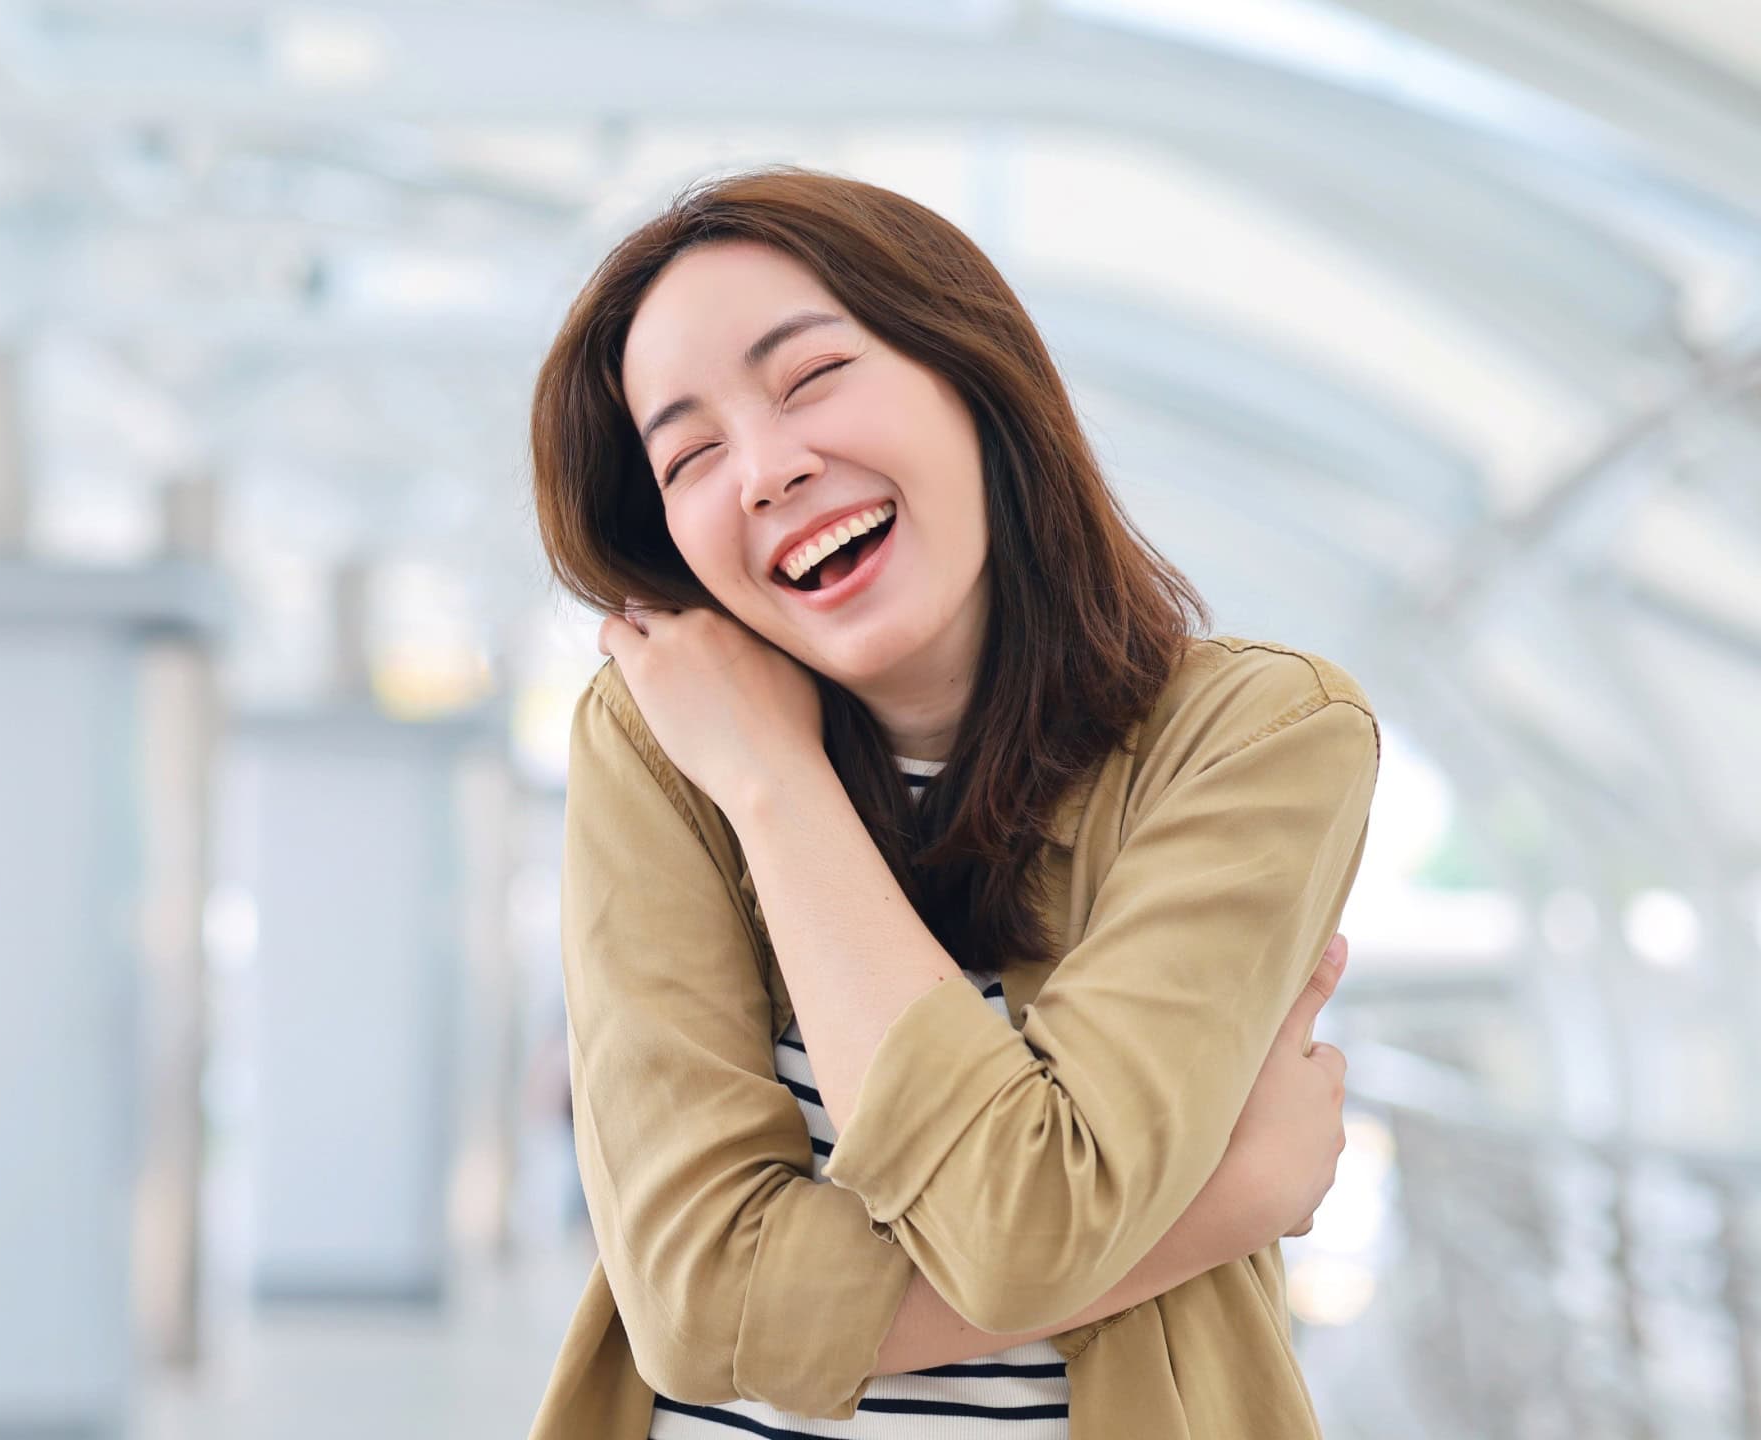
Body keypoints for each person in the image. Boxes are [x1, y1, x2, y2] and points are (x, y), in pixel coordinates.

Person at [525, 167, 1380, 1440]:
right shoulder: (665, 740)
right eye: (690, 453)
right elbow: (696, 1311)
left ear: (973, 376)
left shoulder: (1257, 737)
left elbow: (1020, 1232)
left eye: (810, 377)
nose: (763, 468)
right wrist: (1213, 1208)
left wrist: (776, 789)